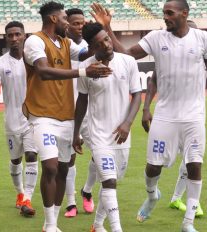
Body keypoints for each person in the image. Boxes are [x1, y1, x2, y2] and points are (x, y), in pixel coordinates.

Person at [90, 1, 207, 231]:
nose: (165, 17)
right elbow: (128, 54)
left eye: (170, 13)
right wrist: (108, 28)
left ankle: (188, 223)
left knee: (195, 165)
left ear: (184, 13)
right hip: (164, 116)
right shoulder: (156, 38)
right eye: (164, 13)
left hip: (194, 117)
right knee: (153, 167)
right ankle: (152, 196)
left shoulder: (204, 39)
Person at [22, 2, 111, 231]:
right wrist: (83, 71)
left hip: (66, 117)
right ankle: (50, 225)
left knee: (63, 169)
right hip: (42, 116)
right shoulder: (35, 41)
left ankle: (50, 223)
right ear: (53, 19)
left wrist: (101, 32)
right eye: (64, 19)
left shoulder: (65, 42)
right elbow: (42, 71)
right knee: (50, 167)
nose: (68, 24)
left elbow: (87, 54)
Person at [73, 22, 142, 232]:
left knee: (110, 183)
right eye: (100, 42)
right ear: (92, 49)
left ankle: (97, 225)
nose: (107, 43)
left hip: (122, 135)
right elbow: (81, 102)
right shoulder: (87, 70)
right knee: (109, 182)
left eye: (107, 38)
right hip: (99, 135)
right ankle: (116, 229)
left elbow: (137, 95)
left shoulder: (128, 62)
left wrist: (127, 124)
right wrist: (75, 133)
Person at [166, 19, 207, 217]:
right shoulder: (174, 57)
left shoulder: (205, 54)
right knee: (162, 163)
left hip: (194, 116)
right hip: (171, 117)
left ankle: (183, 201)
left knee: (191, 160)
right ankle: (159, 195)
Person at [0, 21, 38, 217]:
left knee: (32, 156)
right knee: (16, 160)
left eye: (18, 34)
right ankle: (20, 193)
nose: (14, 38)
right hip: (12, 120)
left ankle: (28, 199)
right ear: (6, 38)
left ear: (25, 36)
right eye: (10, 35)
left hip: (34, 118)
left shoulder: (35, 60)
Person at [64, 8, 95, 218]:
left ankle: (88, 190)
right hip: (65, 110)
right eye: (76, 23)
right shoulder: (60, 46)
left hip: (89, 109)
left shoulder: (87, 45)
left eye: (83, 23)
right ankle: (71, 202)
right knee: (69, 158)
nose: (80, 27)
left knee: (101, 152)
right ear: (66, 24)